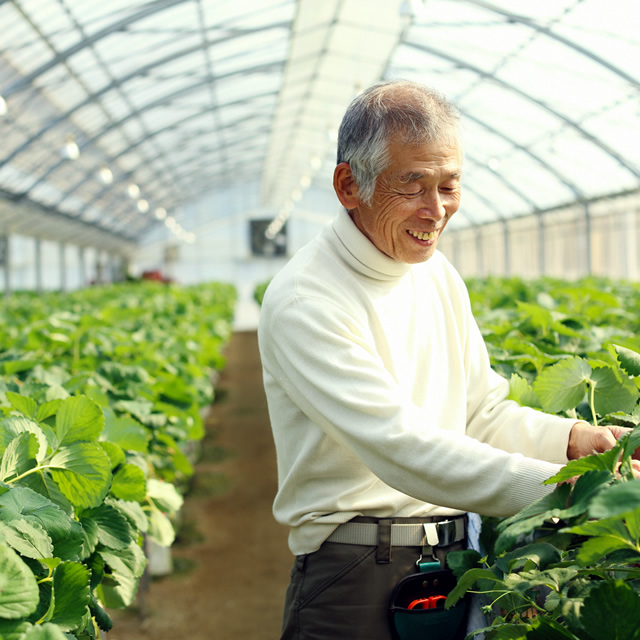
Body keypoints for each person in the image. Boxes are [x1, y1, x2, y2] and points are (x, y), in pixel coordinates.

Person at [257, 79, 632, 640]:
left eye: (449, 186)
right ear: (348, 185)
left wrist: (574, 441)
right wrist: (574, 484)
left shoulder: (434, 272)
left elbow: (481, 411)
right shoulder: (307, 300)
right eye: (412, 186)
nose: (436, 210)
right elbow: (403, 449)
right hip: (356, 574)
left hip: (456, 563)